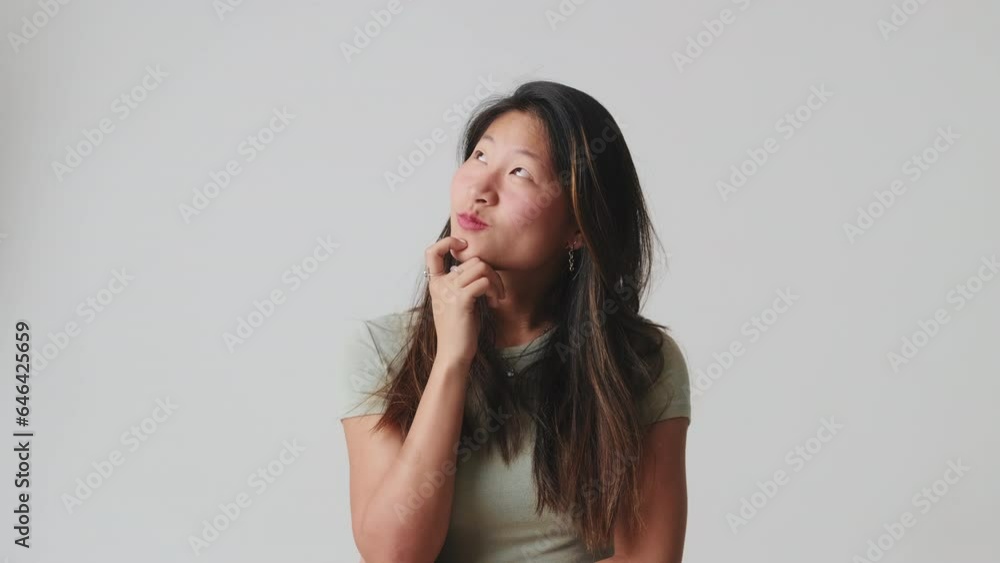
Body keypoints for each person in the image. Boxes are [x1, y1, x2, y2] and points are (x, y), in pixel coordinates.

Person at [337, 80, 691, 562]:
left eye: (520, 172)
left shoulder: (640, 361)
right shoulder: (381, 349)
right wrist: (451, 360)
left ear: (577, 227)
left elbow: (648, 558)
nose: (480, 189)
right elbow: (394, 554)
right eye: (480, 156)